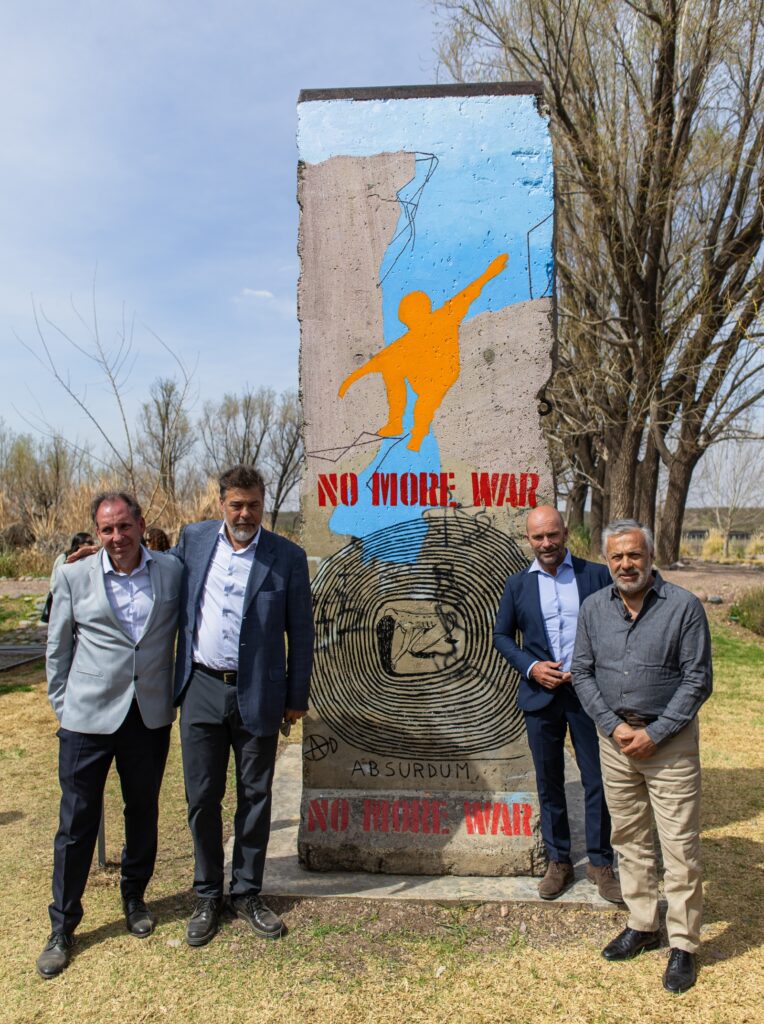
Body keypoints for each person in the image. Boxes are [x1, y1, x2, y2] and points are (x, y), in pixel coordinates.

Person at [37, 493, 182, 979]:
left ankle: (134, 897)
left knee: (142, 810)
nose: (117, 537)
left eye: (124, 526)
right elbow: (57, 648)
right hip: (86, 720)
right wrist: (65, 708)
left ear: (141, 524)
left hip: (148, 716)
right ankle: (63, 925)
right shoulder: (73, 576)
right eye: (107, 530)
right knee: (76, 822)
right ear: (97, 533)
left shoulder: (171, 572)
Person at [173, 464, 313, 946]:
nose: (245, 514)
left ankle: (247, 891)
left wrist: (296, 697)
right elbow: (155, 575)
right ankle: (208, 894)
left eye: (253, 504)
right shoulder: (193, 542)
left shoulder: (287, 557)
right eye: (236, 505)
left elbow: (302, 632)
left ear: (263, 504)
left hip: (259, 693)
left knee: (255, 797)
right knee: (202, 798)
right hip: (201, 687)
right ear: (221, 505)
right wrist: (93, 558)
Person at [571, 519, 712, 994]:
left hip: (669, 744)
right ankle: (643, 923)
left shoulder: (684, 607)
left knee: (679, 845)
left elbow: (697, 679)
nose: (626, 564)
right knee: (629, 837)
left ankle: (684, 944)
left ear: (650, 557)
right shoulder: (594, 608)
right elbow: (582, 672)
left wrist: (656, 732)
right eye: (617, 556)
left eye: (634, 554)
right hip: (616, 743)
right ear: (607, 560)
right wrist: (613, 727)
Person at [493, 505, 621, 902]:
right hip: (540, 697)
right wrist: (531, 667)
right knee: (549, 782)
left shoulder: (596, 575)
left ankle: (600, 862)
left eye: (552, 534)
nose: (546, 543)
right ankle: (559, 861)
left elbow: (617, 625)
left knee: (597, 779)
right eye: (538, 537)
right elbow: (501, 636)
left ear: (565, 532)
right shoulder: (517, 585)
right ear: (528, 539)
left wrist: (592, 666)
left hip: (589, 695)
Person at [40, 532, 95, 624]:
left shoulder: (91, 559)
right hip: (64, 599)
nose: (92, 545)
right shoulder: (63, 558)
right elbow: (55, 581)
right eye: (89, 542)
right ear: (80, 544)